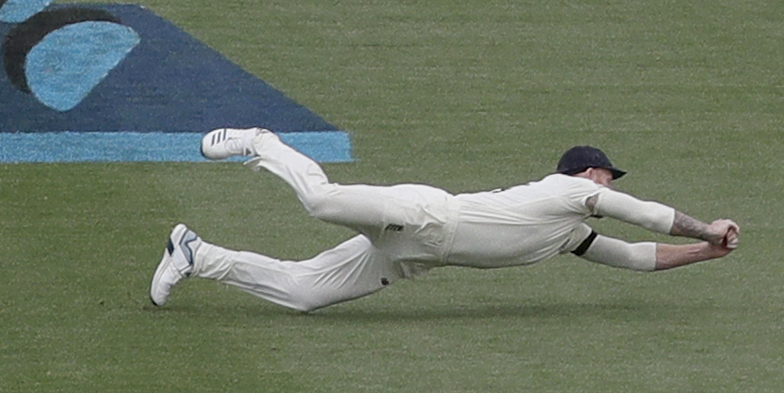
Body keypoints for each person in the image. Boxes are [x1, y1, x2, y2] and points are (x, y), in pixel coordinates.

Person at [148, 135, 741, 311]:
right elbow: (645, 217)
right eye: (609, 175)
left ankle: (198, 255)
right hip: (427, 213)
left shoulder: (572, 233)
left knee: (303, 293)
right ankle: (262, 140)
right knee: (321, 202)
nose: (612, 184)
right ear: (590, 174)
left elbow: (636, 256)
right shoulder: (569, 190)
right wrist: (707, 229)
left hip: (418, 255)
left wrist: (705, 257)